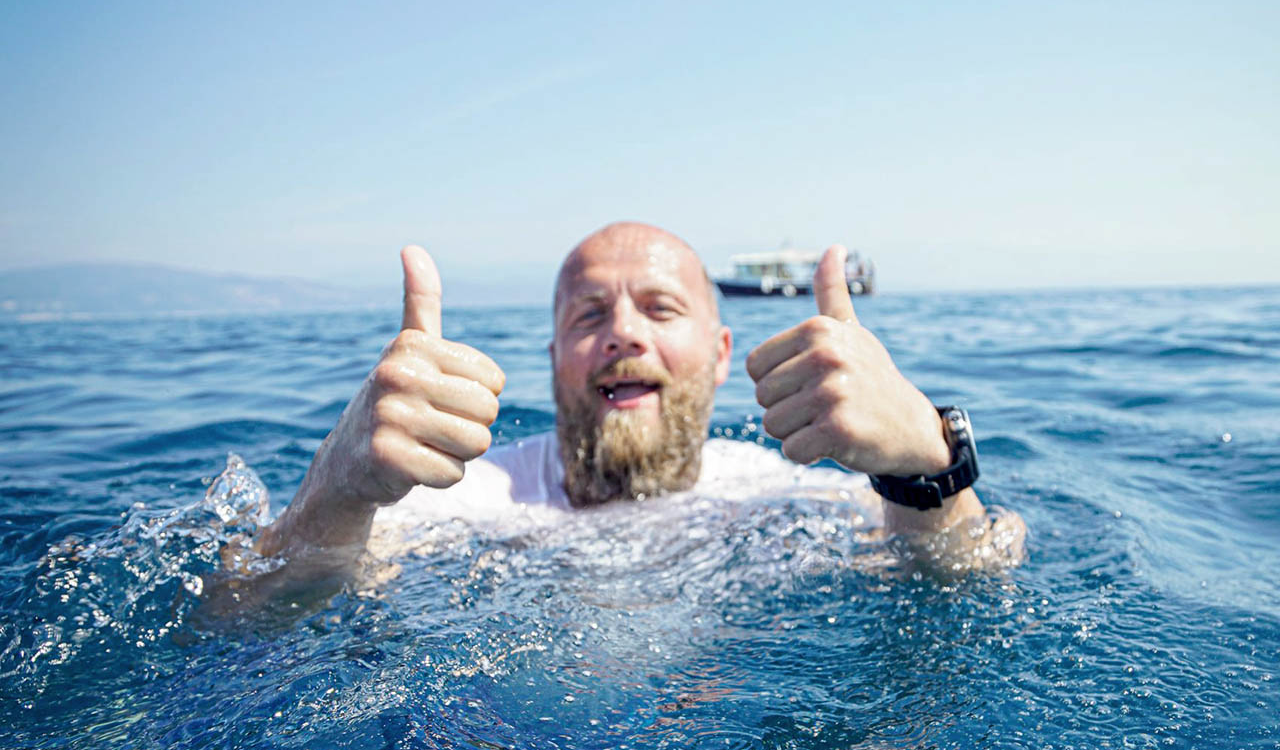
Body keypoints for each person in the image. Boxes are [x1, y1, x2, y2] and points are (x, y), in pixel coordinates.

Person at [255, 221, 1016, 571]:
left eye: (660, 309)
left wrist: (925, 459)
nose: (622, 334)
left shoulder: (774, 499)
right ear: (555, 362)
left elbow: (974, 573)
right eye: (589, 315)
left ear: (720, 356)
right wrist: (338, 489)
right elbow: (240, 625)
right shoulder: (465, 503)